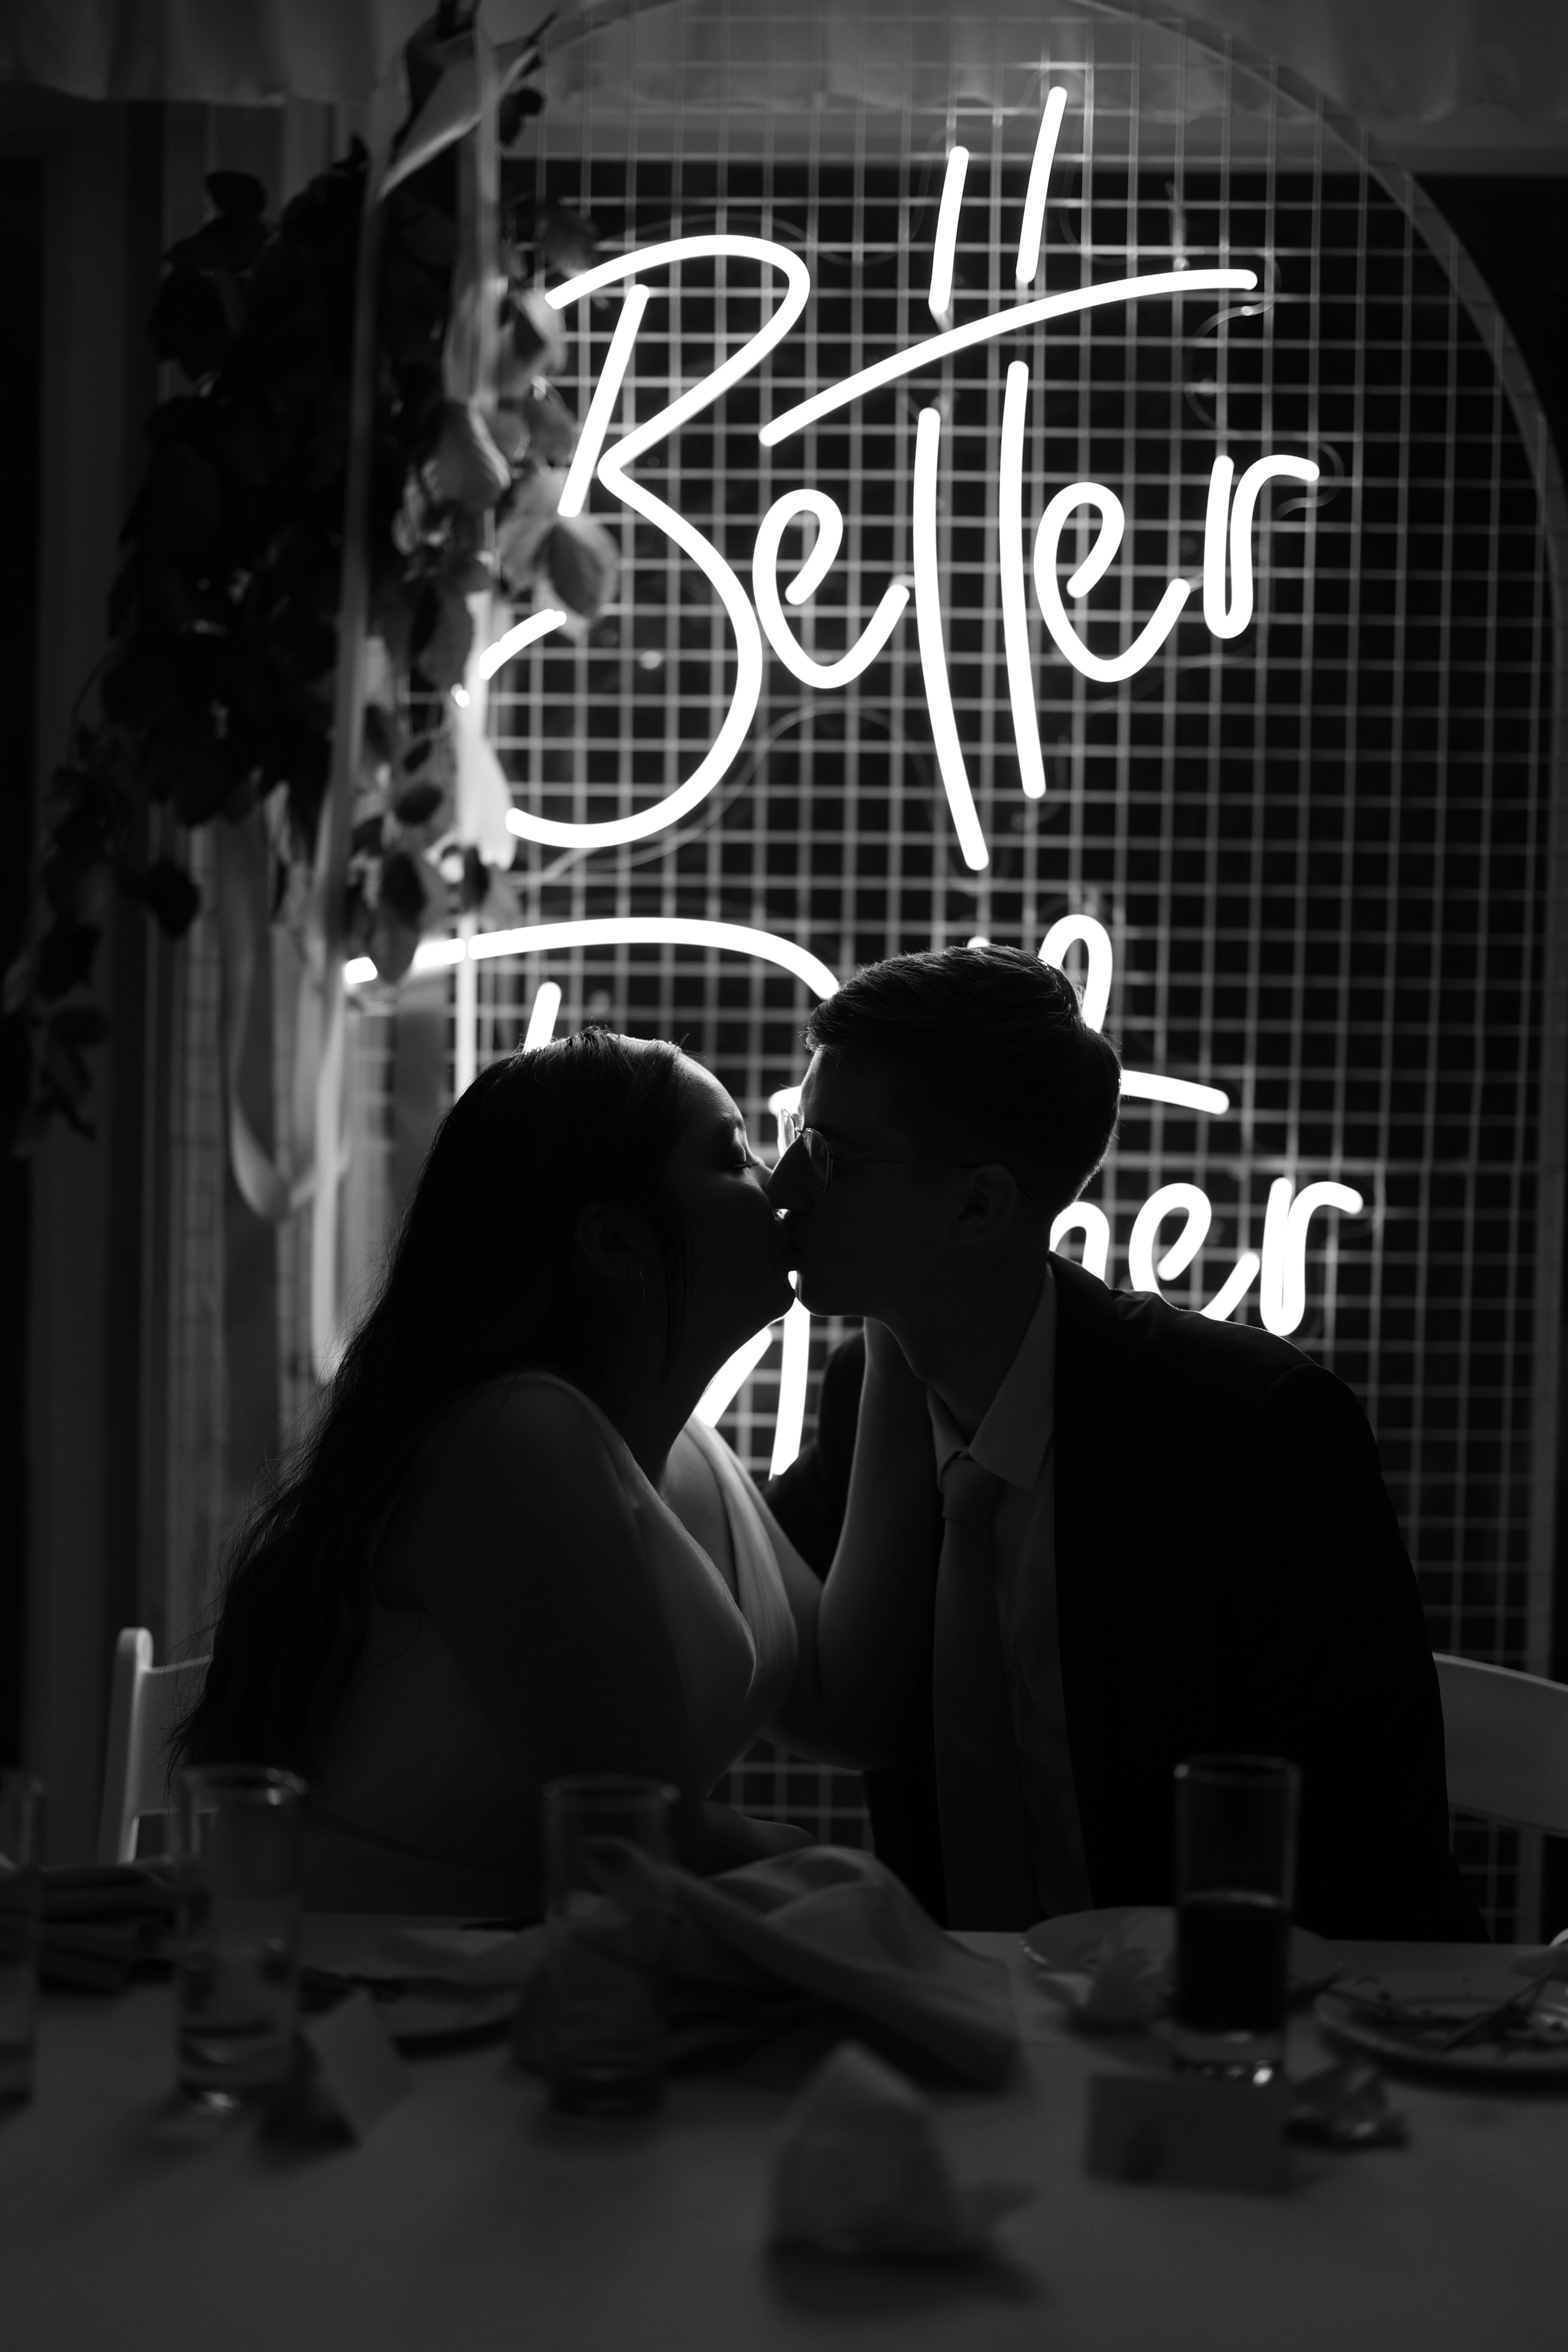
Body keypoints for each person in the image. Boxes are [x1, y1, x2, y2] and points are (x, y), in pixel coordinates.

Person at [765, 945, 1479, 1940]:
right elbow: (765, 1656)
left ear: (979, 1203)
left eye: (829, 1153)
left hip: (1227, 2002)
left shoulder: (1255, 1434)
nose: (783, 1183)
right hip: (962, 2014)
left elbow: (1373, 1843)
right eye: (791, 1135)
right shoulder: (869, 1395)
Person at [175, 1030, 934, 1915]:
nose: (777, 1185)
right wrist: (842, 1877)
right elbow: (635, 1836)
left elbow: (848, 1708)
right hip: (359, 1972)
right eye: (732, 1157)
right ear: (613, 1240)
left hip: (513, 1971)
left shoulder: (687, 1450)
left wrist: (899, 1319)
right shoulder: (512, 1441)